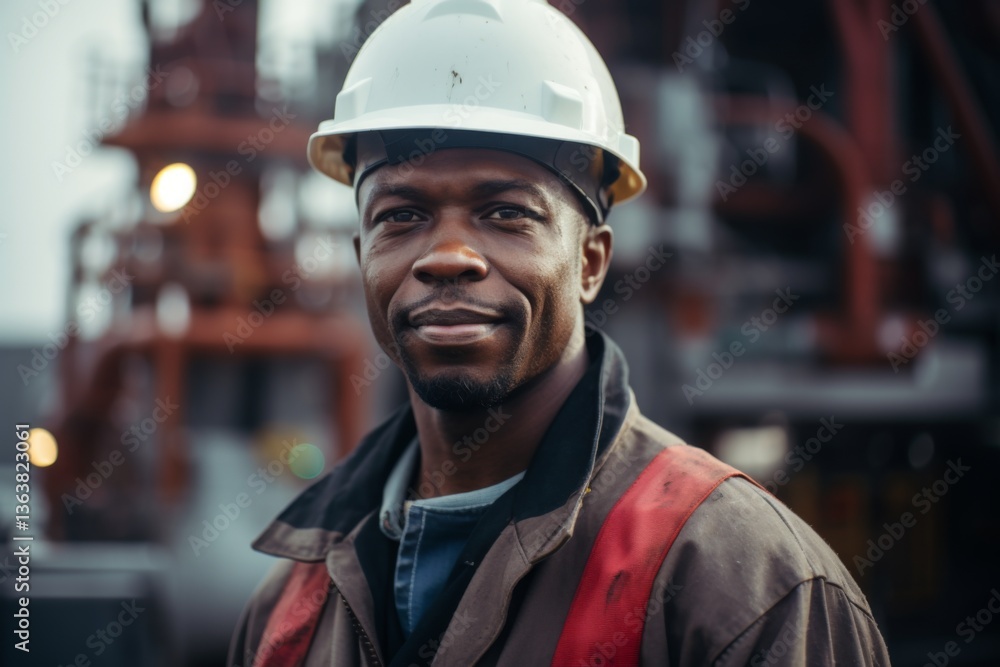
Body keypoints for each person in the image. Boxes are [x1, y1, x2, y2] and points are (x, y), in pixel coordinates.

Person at [229, 0, 891, 665]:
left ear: (590, 261)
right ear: (361, 255)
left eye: (506, 212)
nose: (447, 254)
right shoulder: (287, 610)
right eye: (401, 215)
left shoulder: (741, 580)